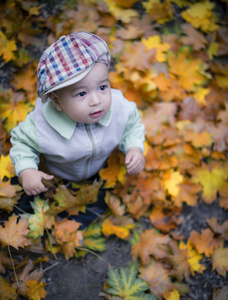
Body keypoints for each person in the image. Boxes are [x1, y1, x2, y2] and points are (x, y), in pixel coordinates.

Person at [10, 32, 145, 227]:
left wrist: (134, 148)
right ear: (57, 101)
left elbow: (133, 125)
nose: (96, 100)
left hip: (99, 169)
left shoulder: (120, 108)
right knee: (33, 202)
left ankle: (84, 215)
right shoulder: (42, 125)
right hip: (58, 174)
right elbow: (21, 142)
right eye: (81, 93)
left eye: (102, 87)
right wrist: (27, 170)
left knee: (94, 206)